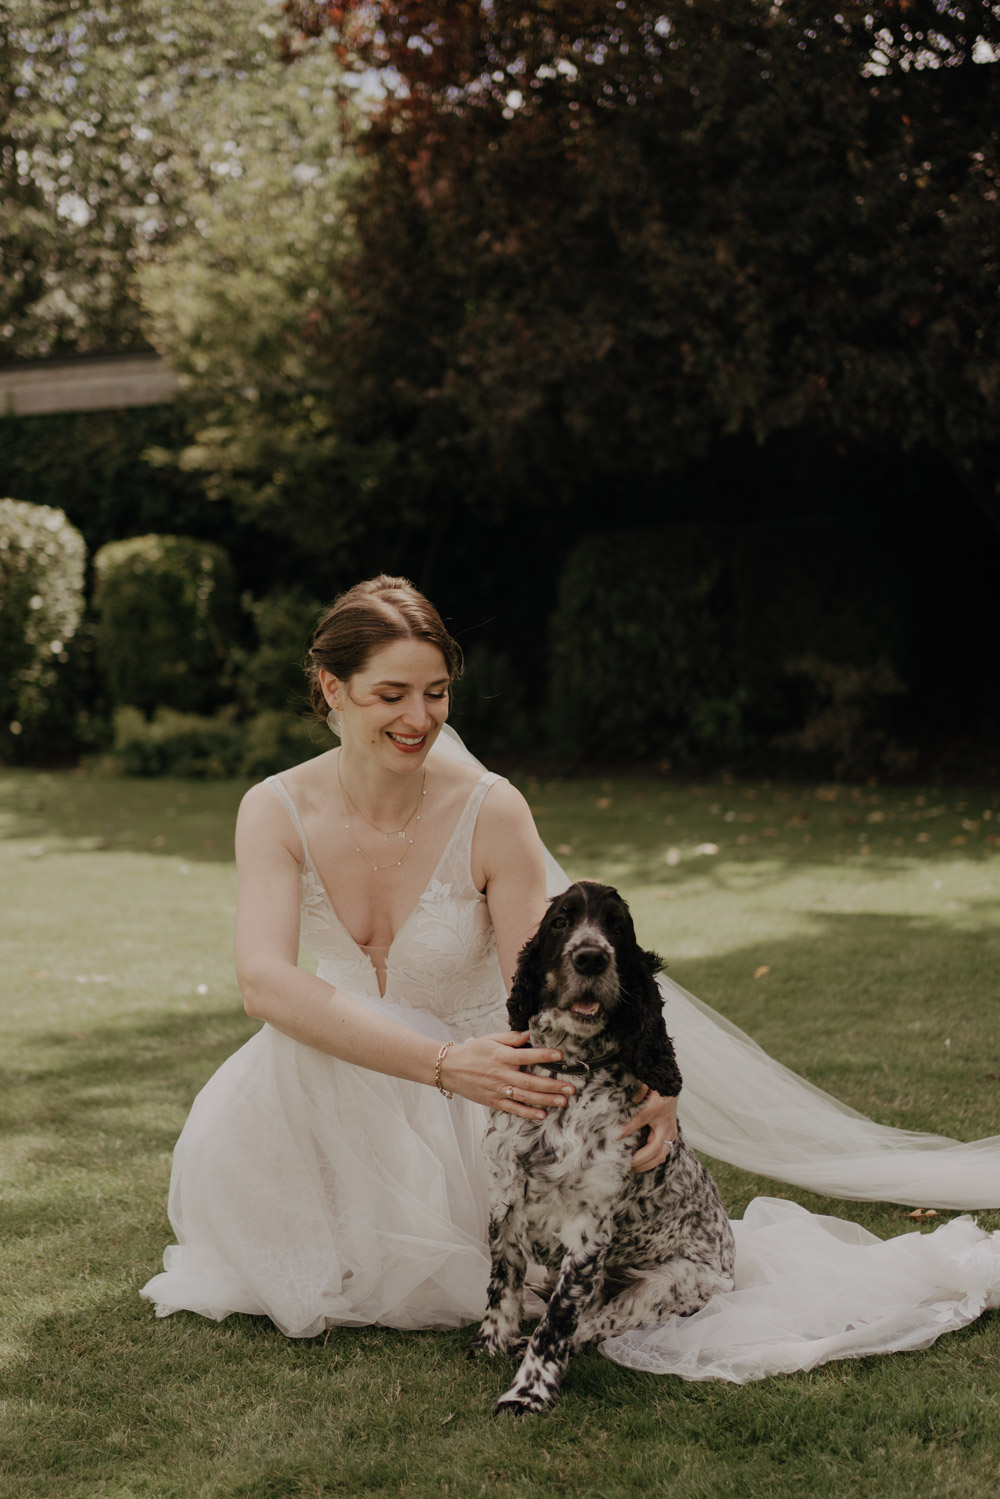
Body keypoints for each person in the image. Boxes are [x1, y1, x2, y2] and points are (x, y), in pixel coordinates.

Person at [141, 575, 1000, 1383]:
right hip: (346, 1077)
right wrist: (440, 1064)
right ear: (331, 688)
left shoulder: (489, 807)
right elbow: (264, 981)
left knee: (535, 1265)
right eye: (390, 694)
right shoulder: (275, 807)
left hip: (496, 1083)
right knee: (297, 1116)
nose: (419, 717)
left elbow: (566, 989)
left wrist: (651, 1082)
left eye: (436, 692)